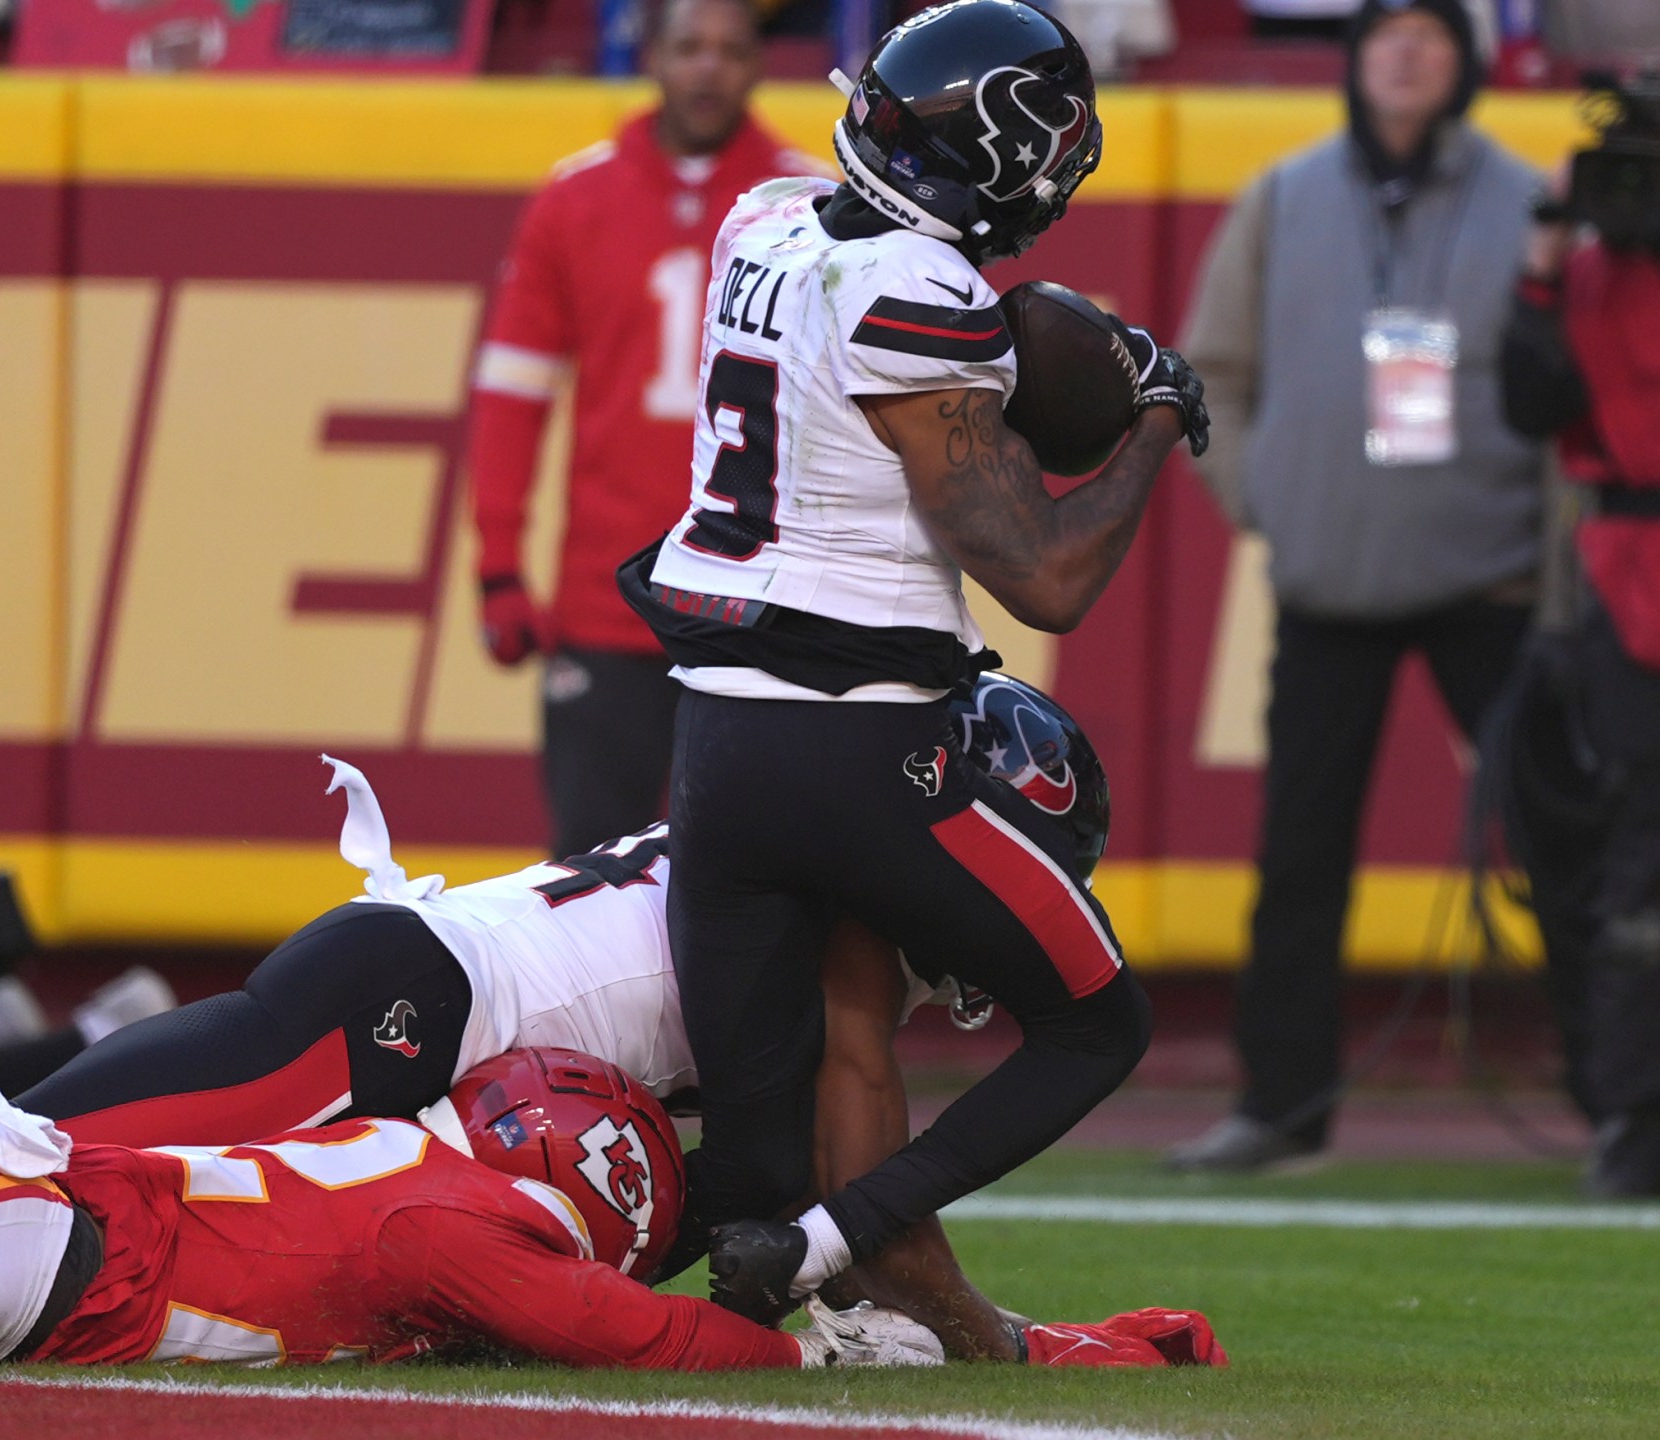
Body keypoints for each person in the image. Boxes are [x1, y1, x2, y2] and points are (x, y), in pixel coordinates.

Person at [0, 672, 1219, 1368]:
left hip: (416, 1002)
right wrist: (989, 1336)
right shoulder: (848, 914)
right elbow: (856, 1158)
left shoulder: (807, 830)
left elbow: (820, 1178)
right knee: (2, 1137)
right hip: (405, 1014)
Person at [607, 0, 1207, 1324]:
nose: (1061, 162)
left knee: (754, 1162)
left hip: (712, 745)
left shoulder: (758, 222)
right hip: (861, 750)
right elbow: (1043, 573)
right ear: (986, 148)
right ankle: (838, 1247)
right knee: (1099, 1022)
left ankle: (471, 1276)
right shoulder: (921, 297)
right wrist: (1157, 417)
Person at [1168, 0, 1548, 1175]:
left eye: (1433, 33)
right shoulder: (1283, 197)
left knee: (1568, 844)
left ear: (1465, 65)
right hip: (1331, 573)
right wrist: (1266, 498)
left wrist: (1555, 555)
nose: (1406, 52)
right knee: (1300, 852)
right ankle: (1279, 1110)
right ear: (1353, 56)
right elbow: (1209, 374)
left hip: (1493, 579)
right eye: (1386, 30)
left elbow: (1570, 392)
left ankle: (1624, 1105)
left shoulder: (1532, 198)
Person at [466, 0, 825, 858]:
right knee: (592, 874)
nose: (709, 69)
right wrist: (498, 563)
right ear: (651, 54)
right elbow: (512, 394)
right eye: (689, 47)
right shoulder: (576, 196)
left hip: (759, 602)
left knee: (763, 874)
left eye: (731, 50)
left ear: (759, 64)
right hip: (610, 597)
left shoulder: (809, 205)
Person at [1497, 82, 1660, 1197]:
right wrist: (1544, 255)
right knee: (1636, 856)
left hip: (1620, 575)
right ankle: (1633, 1112)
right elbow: (1530, 397)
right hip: (1624, 578)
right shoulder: (1586, 274)